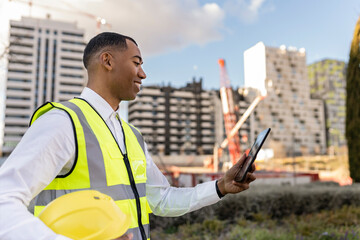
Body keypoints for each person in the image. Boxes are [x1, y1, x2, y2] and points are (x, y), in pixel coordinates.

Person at [0, 32, 256, 240]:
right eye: (136, 63)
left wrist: (220, 187)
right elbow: (4, 201)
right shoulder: (62, 122)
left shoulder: (131, 135)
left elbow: (162, 200)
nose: (143, 74)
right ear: (108, 61)